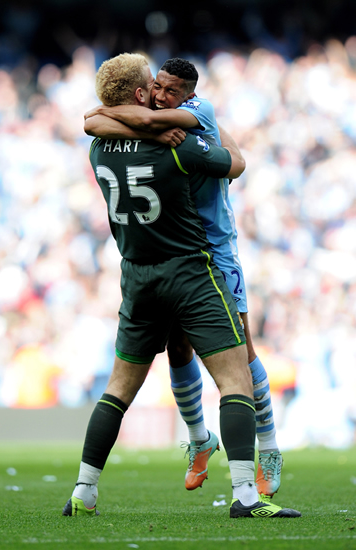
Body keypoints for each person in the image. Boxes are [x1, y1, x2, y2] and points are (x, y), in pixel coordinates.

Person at [63, 52, 300, 519]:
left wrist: (136, 121)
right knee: (235, 376)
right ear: (139, 94)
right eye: (152, 84)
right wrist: (203, 131)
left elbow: (96, 123)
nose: (158, 90)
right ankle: (246, 495)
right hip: (192, 268)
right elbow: (233, 164)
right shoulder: (177, 145)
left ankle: (83, 491)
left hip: (136, 274)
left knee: (119, 387)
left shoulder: (96, 147)